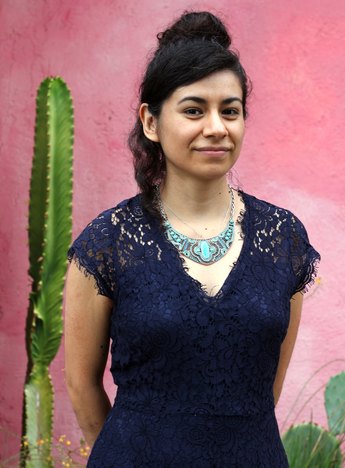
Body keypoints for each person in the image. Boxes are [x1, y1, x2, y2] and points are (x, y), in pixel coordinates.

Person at [64, 11, 320, 467]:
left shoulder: (283, 239)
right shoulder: (107, 243)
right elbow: (82, 385)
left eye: (230, 110)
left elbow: (268, 385)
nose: (216, 127)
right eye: (193, 110)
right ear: (150, 121)